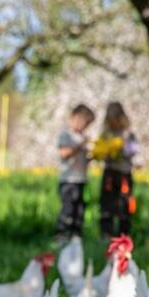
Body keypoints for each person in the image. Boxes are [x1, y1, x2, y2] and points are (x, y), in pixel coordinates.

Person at [93, 101, 141, 241]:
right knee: (107, 203)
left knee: (124, 203)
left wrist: (122, 149)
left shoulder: (128, 134)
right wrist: (104, 152)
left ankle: (123, 235)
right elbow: (98, 151)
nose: (114, 123)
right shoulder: (106, 134)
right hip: (110, 172)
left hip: (124, 173)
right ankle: (106, 234)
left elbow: (135, 150)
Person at [54, 104, 96, 242]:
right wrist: (80, 146)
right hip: (68, 180)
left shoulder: (82, 137)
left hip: (81, 180)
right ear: (76, 118)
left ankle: (75, 236)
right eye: (85, 123)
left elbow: (84, 159)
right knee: (68, 209)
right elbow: (64, 153)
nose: (85, 127)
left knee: (80, 210)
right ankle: (61, 235)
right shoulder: (66, 135)